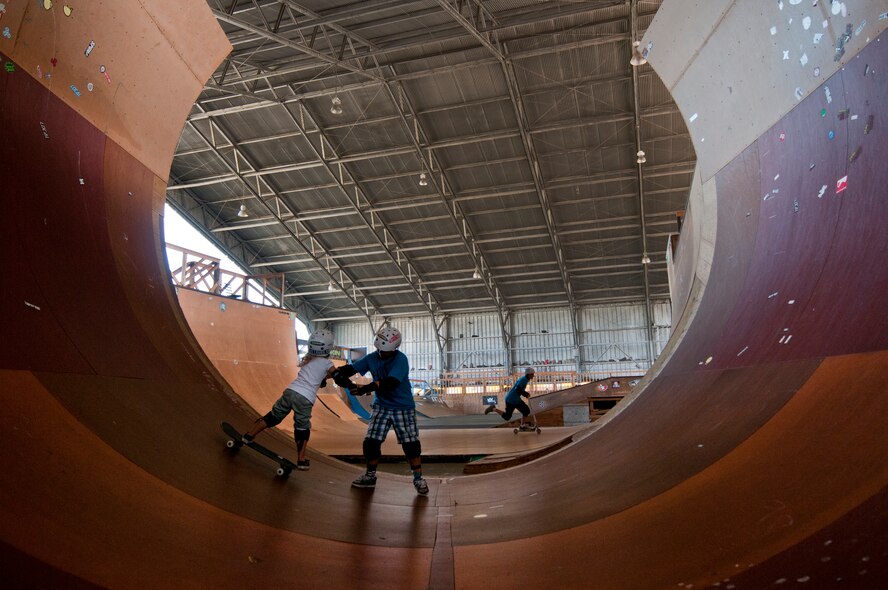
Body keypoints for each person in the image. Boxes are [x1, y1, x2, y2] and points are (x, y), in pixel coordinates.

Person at [332, 326, 428, 495]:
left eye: (385, 352)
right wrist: (333, 372)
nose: (381, 354)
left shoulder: (401, 359)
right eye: (379, 350)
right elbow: (351, 369)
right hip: (381, 406)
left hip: (402, 407)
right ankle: (370, 476)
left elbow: (390, 382)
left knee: (411, 444)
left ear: (395, 348)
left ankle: (418, 478)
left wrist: (364, 388)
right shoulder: (372, 357)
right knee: (371, 442)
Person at [241, 329, 337, 471]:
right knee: (302, 428)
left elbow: (317, 374)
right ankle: (301, 459)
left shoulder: (307, 359)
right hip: (305, 398)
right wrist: (351, 384)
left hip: (290, 391)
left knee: (273, 416)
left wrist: (323, 379)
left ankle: (249, 435)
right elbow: (336, 375)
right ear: (328, 348)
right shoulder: (327, 363)